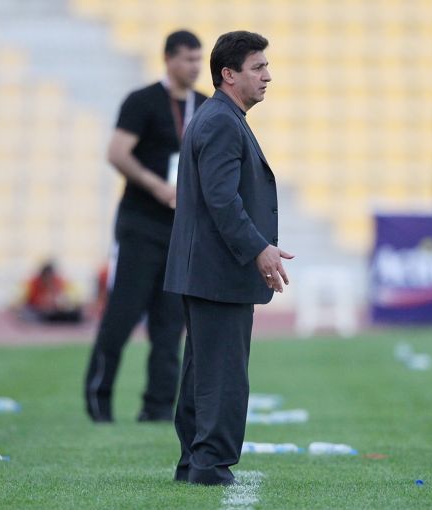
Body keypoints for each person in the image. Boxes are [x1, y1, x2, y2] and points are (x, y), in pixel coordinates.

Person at [164, 30, 293, 486]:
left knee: (204, 370)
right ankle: (210, 464)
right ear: (229, 74)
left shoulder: (218, 116)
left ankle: (194, 461)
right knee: (222, 372)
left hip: (207, 269)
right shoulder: (221, 121)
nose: (267, 76)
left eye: (266, 66)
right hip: (218, 270)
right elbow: (221, 199)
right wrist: (259, 248)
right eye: (258, 67)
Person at [84, 30, 207, 423]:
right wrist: (156, 186)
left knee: (171, 323)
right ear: (168, 58)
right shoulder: (142, 101)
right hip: (140, 225)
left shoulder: (205, 106)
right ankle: (99, 401)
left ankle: (157, 408)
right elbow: (117, 153)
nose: (195, 66)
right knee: (122, 315)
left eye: (198, 59)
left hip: (180, 231)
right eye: (188, 58)